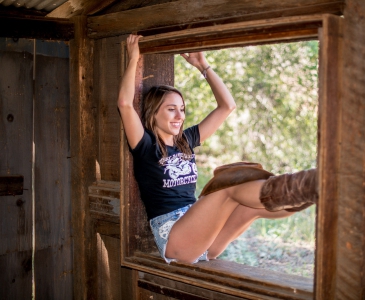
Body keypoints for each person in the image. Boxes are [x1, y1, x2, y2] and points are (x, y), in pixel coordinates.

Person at [117, 34, 317, 264]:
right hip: (176, 239)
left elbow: (227, 106)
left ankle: (315, 191)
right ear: (154, 113)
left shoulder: (186, 140)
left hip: (205, 239)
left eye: (182, 109)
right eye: (171, 109)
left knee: (251, 206)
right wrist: (134, 57)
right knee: (227, 187)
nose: (179, 116)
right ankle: (307, 183)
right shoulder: (145, 144)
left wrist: (204, 67)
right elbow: (124, 104)